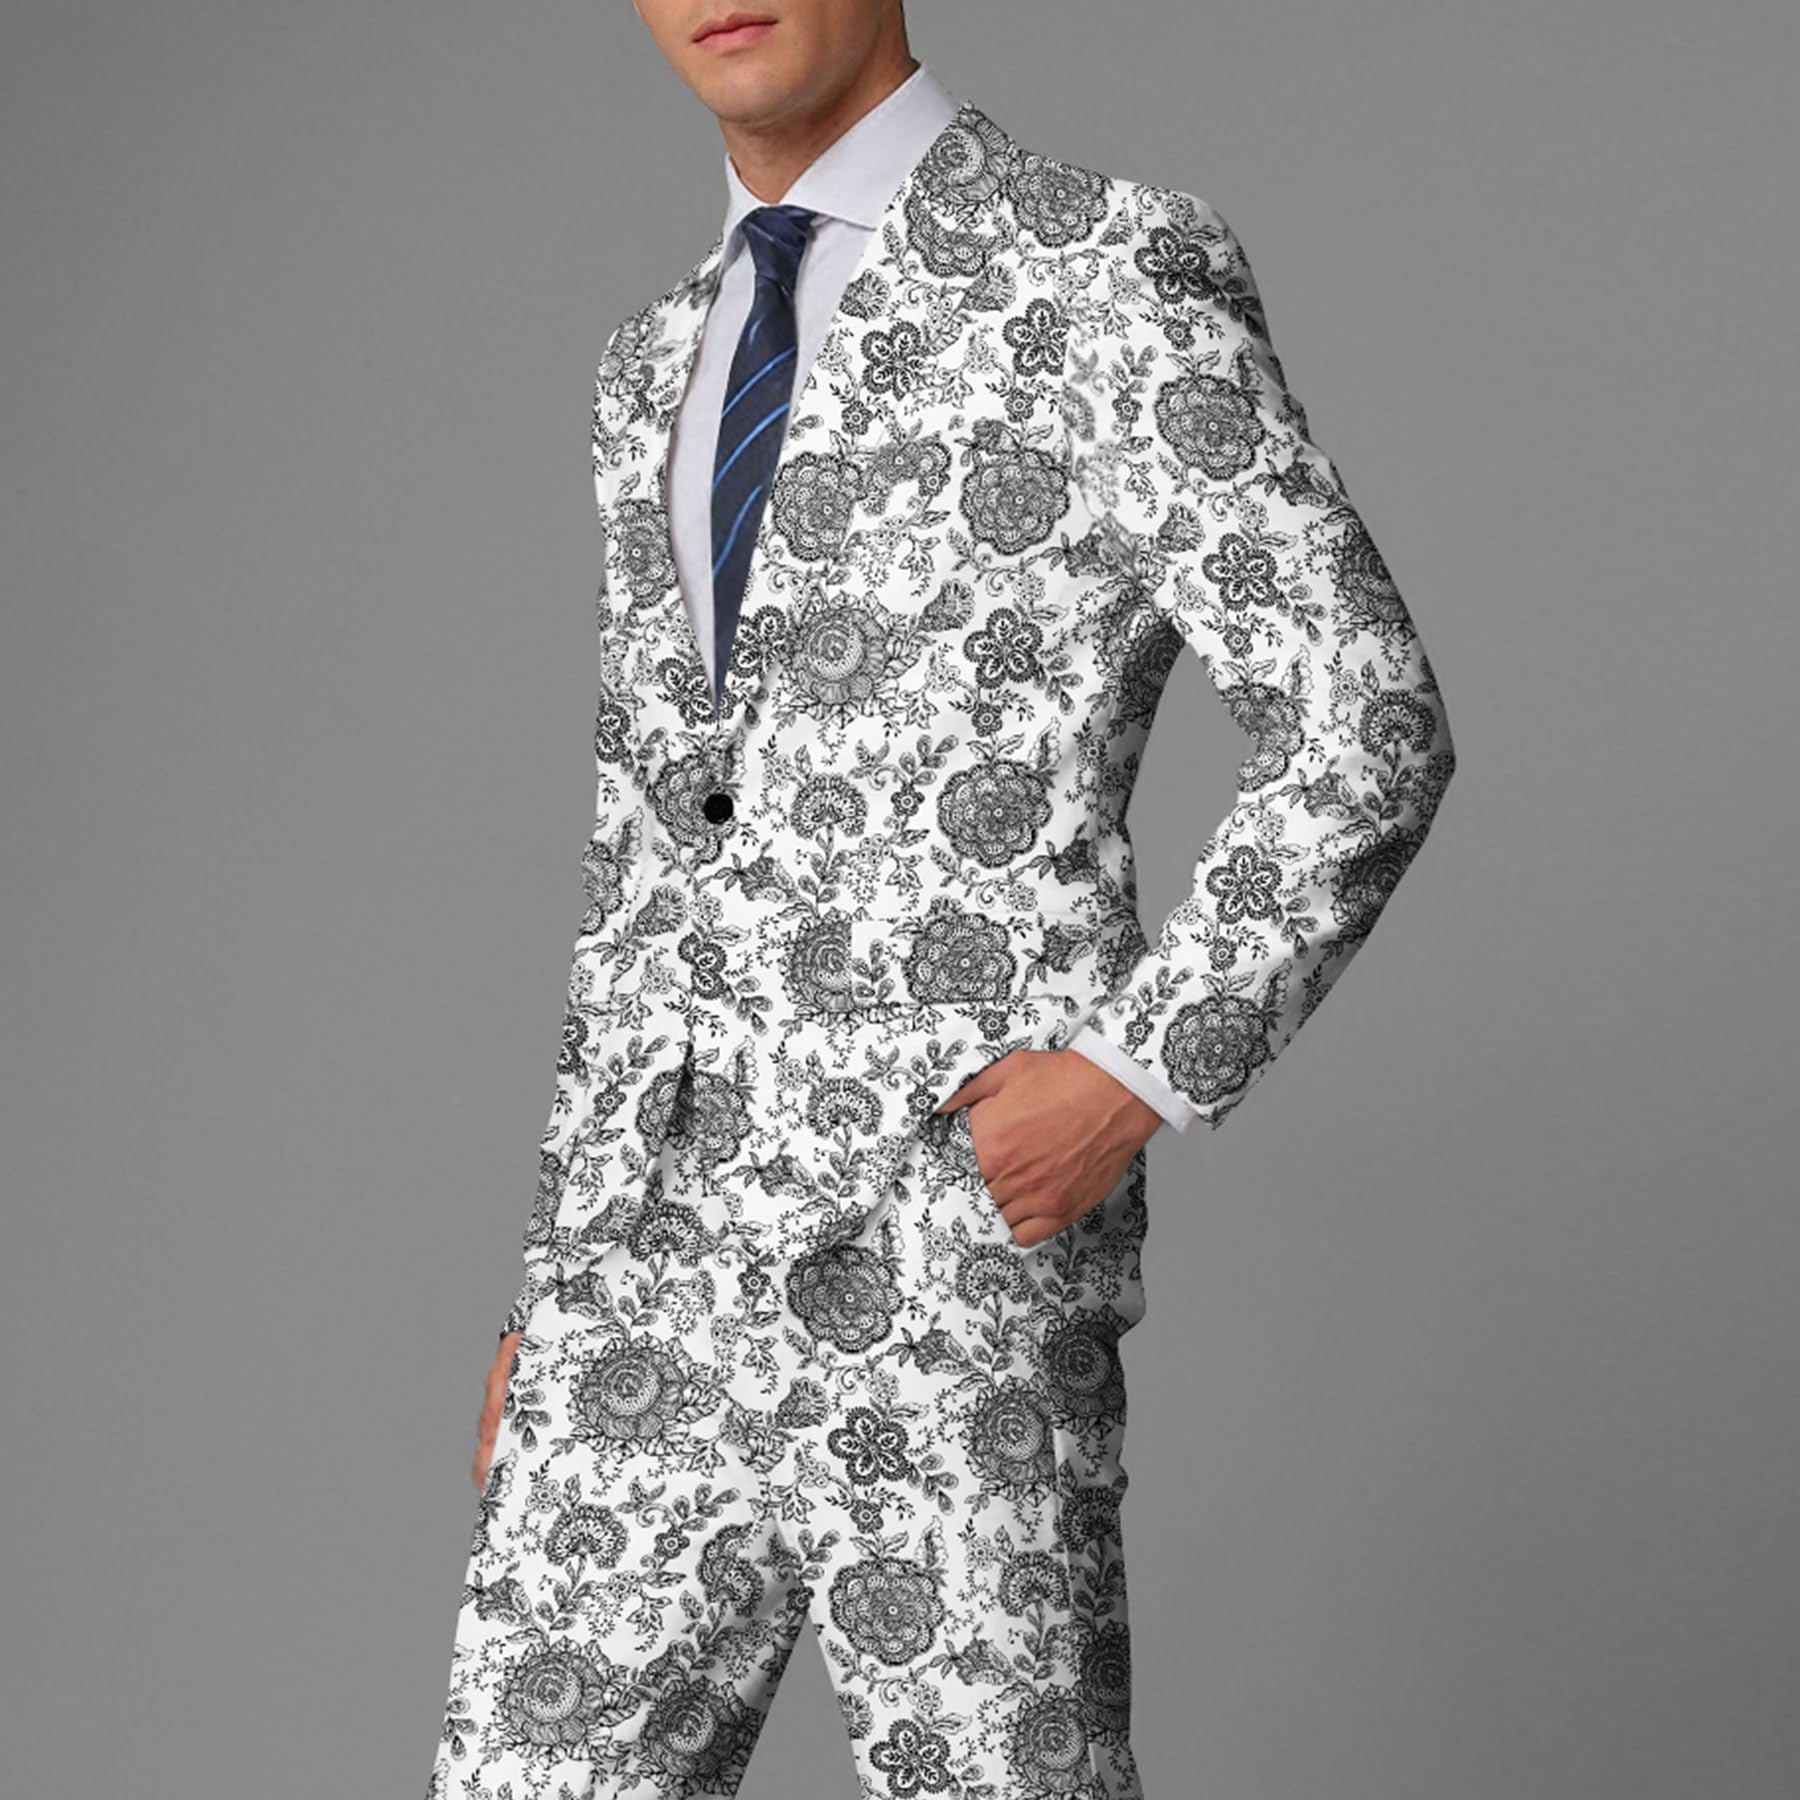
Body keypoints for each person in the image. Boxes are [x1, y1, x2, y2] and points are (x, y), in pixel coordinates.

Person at [425, 4, 1456, 1795]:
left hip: (944, 1257)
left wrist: (1131, 1073)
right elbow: (652, 853)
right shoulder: (649, 362)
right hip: (643, 1282)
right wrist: (557, 1285)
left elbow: (1364, 715)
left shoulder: (1104, 268)